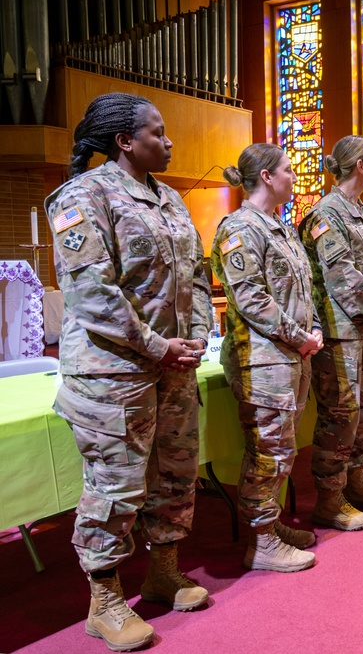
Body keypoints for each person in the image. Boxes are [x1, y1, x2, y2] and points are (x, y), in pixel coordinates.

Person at [45, 92, 211, 651]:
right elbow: (91, 291)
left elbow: (198, 272)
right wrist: (158, 345)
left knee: (174, 473)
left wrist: (199, 333)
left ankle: (163, 573)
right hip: (113, 374)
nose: (169, 142)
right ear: (124, 141)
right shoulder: (80, 197)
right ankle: (105, 600)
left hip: (172, 369)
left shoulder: (169, 199)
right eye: (158, 133)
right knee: (115, 487)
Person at [212, 143, 323, 571]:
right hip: (263, 359)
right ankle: (260, 542)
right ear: (266, 177)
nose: (295, 178)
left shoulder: (278, 227)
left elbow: (301, 289)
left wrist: (309, 332)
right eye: (289, 171)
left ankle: (270, 527)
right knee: (267, 451)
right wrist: (300, 337)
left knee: (283, 450)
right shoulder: (239, 228)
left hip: (290, 354)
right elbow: (251, 298)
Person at [298, 136, 363, 530]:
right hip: (341, 332)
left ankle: (356, 482)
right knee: (341, 416)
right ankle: (329, 497)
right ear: (359, 165)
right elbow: (342, 276)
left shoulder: (359, 210)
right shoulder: (326, 214)